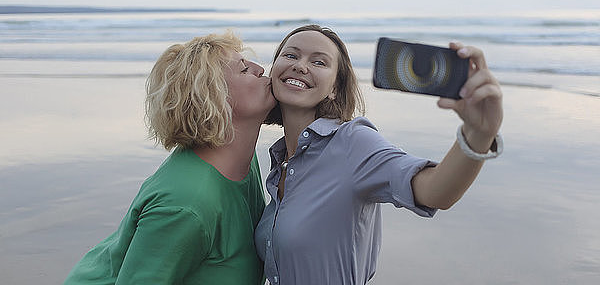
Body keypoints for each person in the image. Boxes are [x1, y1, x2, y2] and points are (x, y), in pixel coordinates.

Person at [255, 24, 503, 285]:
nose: (301, 66)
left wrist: (479, 135)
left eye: (318, 61)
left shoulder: (353, 142)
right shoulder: (280, 162)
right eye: (291, 55)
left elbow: (434, 190)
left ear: (334, 89)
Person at [64, 31, 276, 284]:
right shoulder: (186, 203)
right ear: (214, 98)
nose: (260, 69)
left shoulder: (240, 160)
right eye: (243, 69)